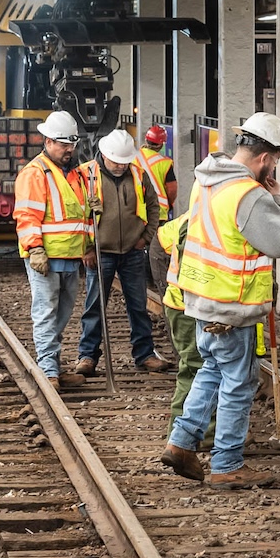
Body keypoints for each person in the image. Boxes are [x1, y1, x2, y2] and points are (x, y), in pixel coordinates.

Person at [160, 113, 280, 488]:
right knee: (238, 383)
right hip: (233, 305)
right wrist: (278, 199)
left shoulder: (205, 182)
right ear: (266, 158)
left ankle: (182, 442)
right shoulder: (249, 194)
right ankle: (227, 464)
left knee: (211, 371)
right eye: (277, 159)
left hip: (201, 298)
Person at [75, 129, 173, 375]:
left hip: (131, 251)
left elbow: (153, 206)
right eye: (116, 161)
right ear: (105, 155)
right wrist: (86, 249)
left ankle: (144, 354)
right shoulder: (86, 175)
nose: (120, 166)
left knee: (138, 305)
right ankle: (87, 356)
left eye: (124, 162)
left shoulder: (138, 174)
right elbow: (75, 214)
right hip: (100, 252)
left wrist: (145, 238)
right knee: (95, 306)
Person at [14, 111, 94, 389]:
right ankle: (48, 371)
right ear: (48, 142)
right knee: (46, 315)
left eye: (72, 144)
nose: (69, 149)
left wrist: (90, 245)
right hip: (46, 258)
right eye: (64, 144)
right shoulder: (35, 174)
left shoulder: (75, 173)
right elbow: (26, 215)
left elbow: (81, 216)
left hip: (71, 257)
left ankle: (54, 368)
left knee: (60, 317)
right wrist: (35, 249)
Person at [157, 181, 209, 443]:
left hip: (181, 304)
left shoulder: (189, 217)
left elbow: (160, 240)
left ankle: (190, 431)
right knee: (196, 368)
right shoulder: (198, 224)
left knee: (195, 367)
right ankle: (186, 435)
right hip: (187, 307)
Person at [138, 125, 178, 219]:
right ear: (161, 144)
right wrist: (170, 203)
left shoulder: (133, 157)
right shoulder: (165, 163)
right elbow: (172, 190)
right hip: (158, 212)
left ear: (146, 140)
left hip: (137, 210)